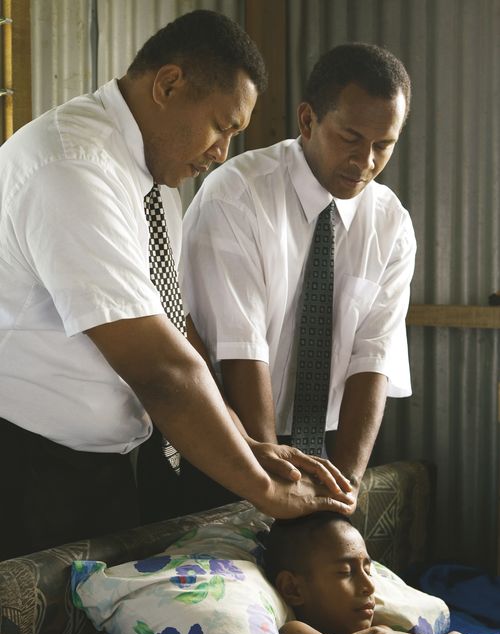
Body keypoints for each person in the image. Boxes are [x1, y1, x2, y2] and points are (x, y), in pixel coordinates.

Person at [0, 10, 352, 561]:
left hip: (106, 466)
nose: (222, 153)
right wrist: (266, 492)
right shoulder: (72, 167)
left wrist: (248, 445)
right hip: (25, 467)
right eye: (223, 127)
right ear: (168, 84)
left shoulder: (152, 174)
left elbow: (176, 331)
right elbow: (160, 368)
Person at [181, 43, 417, 510]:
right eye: (350, 138)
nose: (366, 162)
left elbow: (373, 358)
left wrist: (344, 488)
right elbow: (239, 349)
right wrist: (273, 483)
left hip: (324, 443)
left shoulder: (391, 222)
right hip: (228, 436)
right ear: (307, 121)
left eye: (383, 145)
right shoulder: (237, 196)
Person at [263, 512, 475, 634]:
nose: (369, 586)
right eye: (345, 572)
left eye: (368, 570)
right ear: (293, 589)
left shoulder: (382, 633)